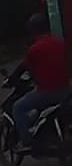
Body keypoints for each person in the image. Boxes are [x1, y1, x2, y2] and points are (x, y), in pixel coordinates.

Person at [13, 12, 70, 152]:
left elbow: (25, 67)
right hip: (66, 91)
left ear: (33, 30)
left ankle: (27, 140)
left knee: (18, 107)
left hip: (47, 93)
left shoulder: (34, 49)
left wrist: (13, 78)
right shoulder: (61, 43)